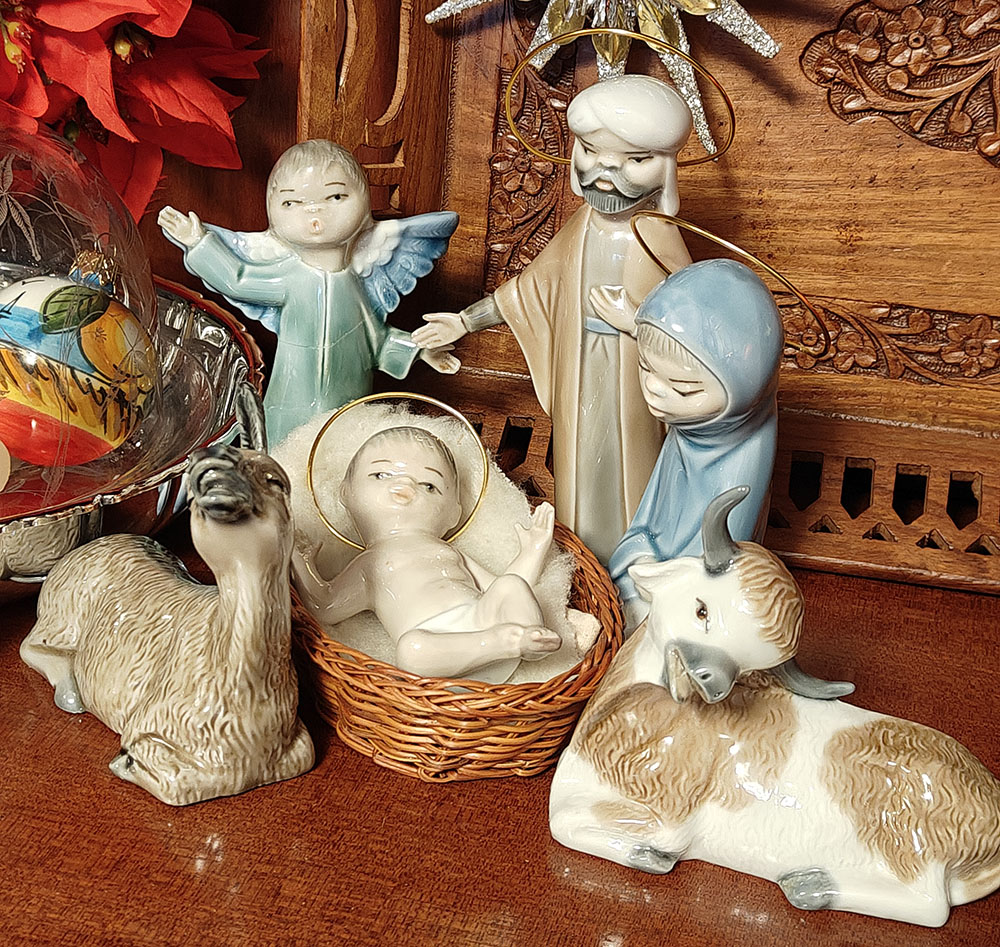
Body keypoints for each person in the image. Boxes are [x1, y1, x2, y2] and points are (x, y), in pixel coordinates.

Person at [412, 76, 693, 563]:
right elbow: (529, 289)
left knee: (629, 466)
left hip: (632, 376)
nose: (605, 172)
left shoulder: (657, 235)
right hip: (578, 369)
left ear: (665, 170)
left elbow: (691, 319)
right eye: (591, 151)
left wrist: (637, 322)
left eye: (634, 159)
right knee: (577, 465)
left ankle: (633, 563)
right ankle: (580, 562)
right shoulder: (581, 225)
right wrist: (464, 322)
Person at [158, 140, 460, 446]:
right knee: (286, 452)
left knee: (344, 454)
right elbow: (238, 279)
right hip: (292, 406)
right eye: (292, 203)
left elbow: (375, 340)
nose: (315, 215)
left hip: (349, 406)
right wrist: (199, 243)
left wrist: (420, 350)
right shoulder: (290, 278)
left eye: (336, 197)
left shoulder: (352, 284)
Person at [292, 425, 563, 684]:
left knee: (510, 585)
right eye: (381, 475)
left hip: (482, 621)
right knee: (412, 649)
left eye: (429, 486)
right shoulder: (370, 563)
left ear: (454, 513)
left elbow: (501, 587)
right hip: (439, 654)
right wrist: (298, 558)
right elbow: (325, 606)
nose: (404, 487)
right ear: (346, 493)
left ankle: (534, 642)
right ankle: (509, 641)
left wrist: (534, 550)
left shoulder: (448, 551)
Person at [608, 259, 784, 626]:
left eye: (684, 389)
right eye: (645, 367)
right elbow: (652, 518)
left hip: (693, 589)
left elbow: (717, 564)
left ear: (743, 391)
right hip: (656, 562)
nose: (653, 389)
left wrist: (668, 582)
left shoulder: (741, 456)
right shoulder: (699, 426)